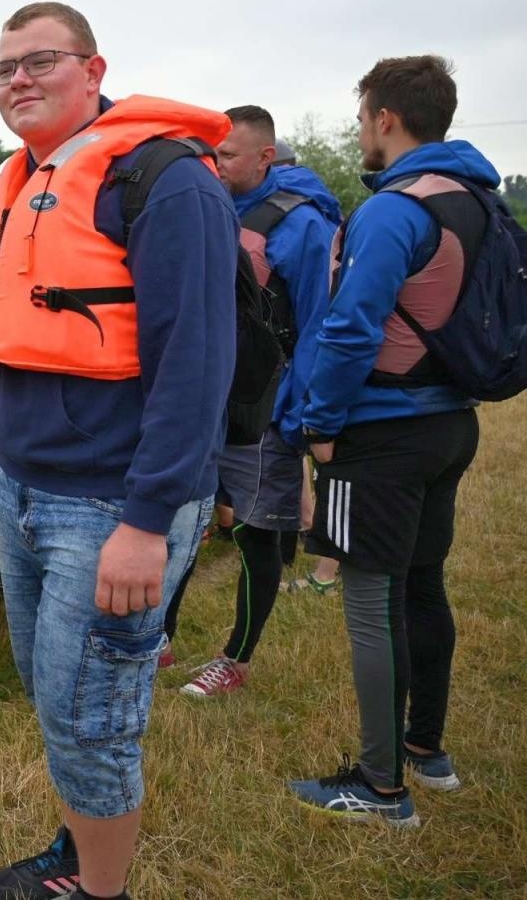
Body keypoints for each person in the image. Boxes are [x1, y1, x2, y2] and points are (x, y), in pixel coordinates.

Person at [0, 2, 236, 900]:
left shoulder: (166, 180)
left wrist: (147, 520)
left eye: (40, 62)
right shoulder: (14, 187)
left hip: (116, 503)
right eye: (3, 69)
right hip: (25, 489)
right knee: (59, 699)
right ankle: (79, 850)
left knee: (91, 719)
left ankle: (98, 893)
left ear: (93, 67)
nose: (18, 81)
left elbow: (196, 364)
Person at [287, 55, 497, 826]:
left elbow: (350, 327)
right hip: (451, 422)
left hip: (383, 428)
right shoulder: (475, 198)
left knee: (369, 599)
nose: (359, 132)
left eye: (362, 116)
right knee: (422, 583)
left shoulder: (394, 208)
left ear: (385, 119)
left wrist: (320, 425)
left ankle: (380, 789)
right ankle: (425, 753)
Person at [175, 105, 342, 698]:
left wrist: (299, 414)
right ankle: (159, 638)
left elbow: (322, 326)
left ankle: (236, 661)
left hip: (267, 404)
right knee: (186, 519)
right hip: (205, 396)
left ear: (265, 157)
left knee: (255, 532)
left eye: (227, 155)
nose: (213, 165)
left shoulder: (302, 224)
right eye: (211, 153)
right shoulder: (207, 207)